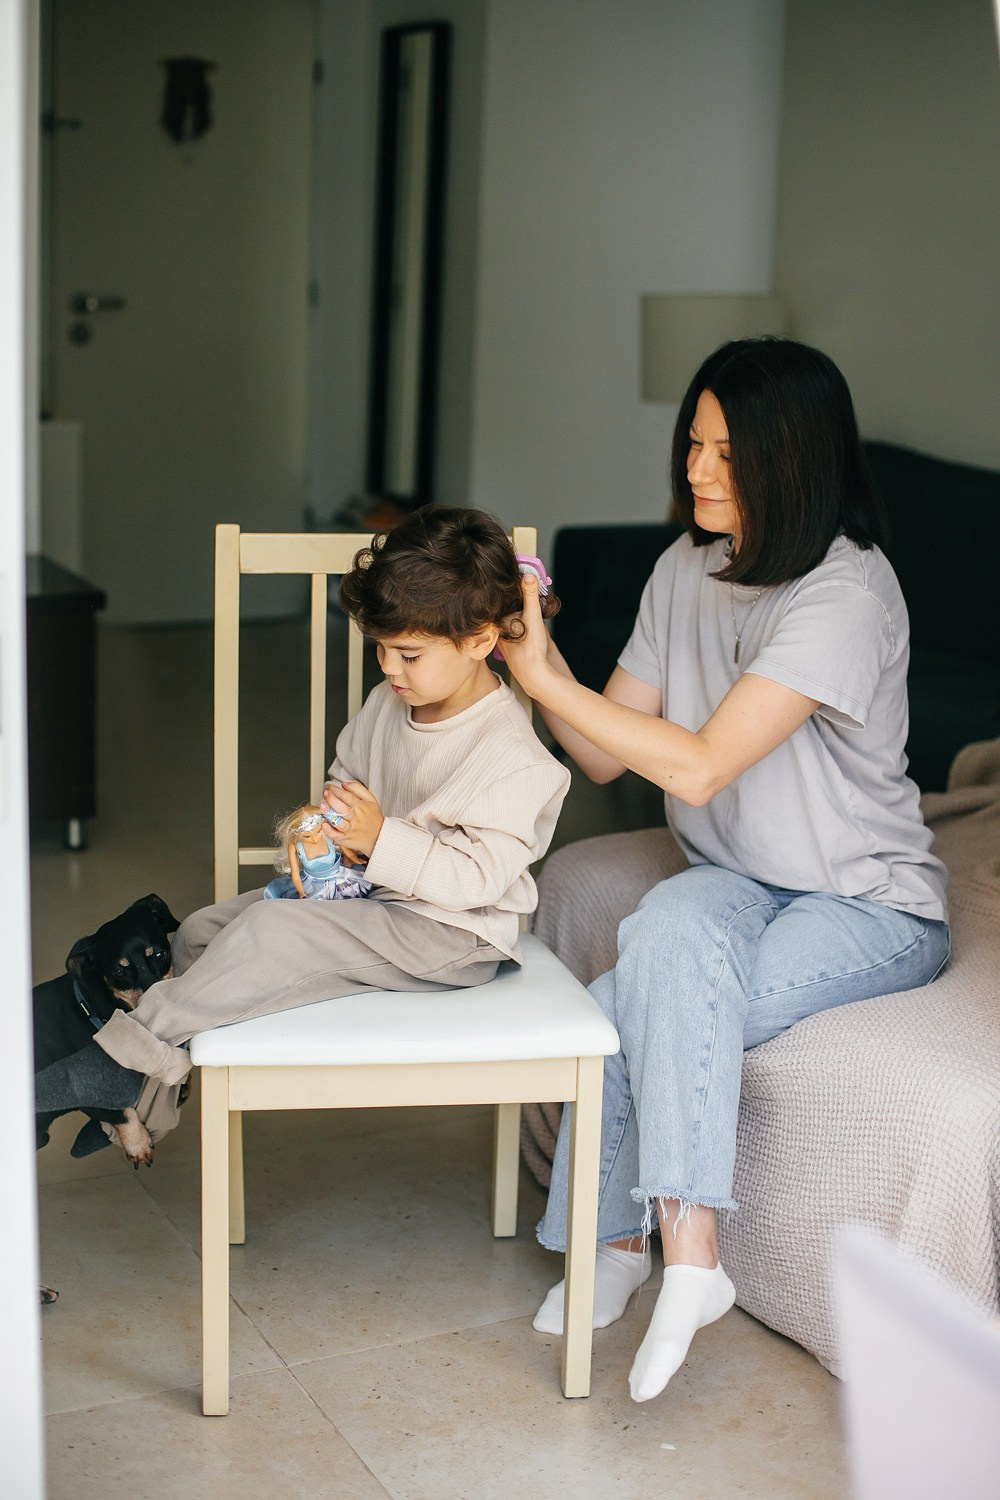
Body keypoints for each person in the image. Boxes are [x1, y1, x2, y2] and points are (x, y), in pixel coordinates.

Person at [499, 337, 950, 1405]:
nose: (696, 470)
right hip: (736, 877)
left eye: (727, 454)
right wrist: (535, 656)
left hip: (864, 898)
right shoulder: (682, 569)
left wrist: (544, 683)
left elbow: (699, 765)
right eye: (693, 445)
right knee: (661, 934)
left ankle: (625, 1243)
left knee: (623, 1001)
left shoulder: (845, 591)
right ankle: (682, 1261)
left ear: (794, 459)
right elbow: (602, 754)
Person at [34, 508, 569, 1104]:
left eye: (409, 654)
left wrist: (378, 839)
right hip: (377, 897)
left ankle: (124, 1059)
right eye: (380, 648)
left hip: (452, 934)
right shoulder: (390, 702)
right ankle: (153, 1085)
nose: (388, 667)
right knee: (201, 933)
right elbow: (347, 779)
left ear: (480, 641)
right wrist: (324, 834)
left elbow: (478, 878)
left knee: (271, 932)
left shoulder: (512, 756)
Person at [262, 803, 372, 901]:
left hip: (339, 879)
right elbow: (295, 875)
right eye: (307, 836)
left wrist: (355, 859)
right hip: (313, 885)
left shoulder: (328, 835)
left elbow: (346, 849)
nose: (314, 839)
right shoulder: (295, 846)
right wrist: (301, 893)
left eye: (318, 831)